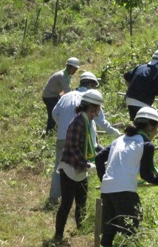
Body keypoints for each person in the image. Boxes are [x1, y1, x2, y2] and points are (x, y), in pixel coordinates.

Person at [95, 107, 158, 247]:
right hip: (125, 192)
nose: (155, 132)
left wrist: (104, 178)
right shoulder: (146, 144)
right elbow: (145, 174)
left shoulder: (119, 140)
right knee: (130, 233)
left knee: (108, 233)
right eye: (156, 128)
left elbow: (99, 158)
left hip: (107, 190)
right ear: (150, 126)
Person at [48, 72, 121, 205]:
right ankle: (79, 201)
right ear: (90, 84)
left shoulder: (66, 96)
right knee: (82, 167)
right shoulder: (90, 99)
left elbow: (54, 114)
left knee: (60, 167)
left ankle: (54, 198)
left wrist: (64, 126)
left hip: (62, 137)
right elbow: (102, 122)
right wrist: (117, 134)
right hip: (81, 140)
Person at [53, 89, 104, 242]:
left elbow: (94, 144)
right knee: (67, 203)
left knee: (82, 202)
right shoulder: (77, 122)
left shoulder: (90, 123)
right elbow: (72, 147)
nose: (100, 110)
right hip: (69, 167)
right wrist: (86, 164)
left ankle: (80, 231)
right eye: (98, 107)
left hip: (82, 167)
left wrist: (108, 153)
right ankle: (58, 235)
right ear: (92, 107)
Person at [123, 49, 158, 121]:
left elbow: (127, 77)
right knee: (148, 125)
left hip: (129, 99)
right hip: (141, 102)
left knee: (134, 123)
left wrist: (132, 89)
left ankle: (127, 130)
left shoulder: (140, 67)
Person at [42, 57, 79, 135]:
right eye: (74, 69)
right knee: (53, 114)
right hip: (49, 96)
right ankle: (49, 133)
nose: (75, 71)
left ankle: (54, 130)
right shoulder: (62, 76)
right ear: (69, 67)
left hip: (55, 95)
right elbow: (68, 91)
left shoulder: (67, 75)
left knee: (60, 112)